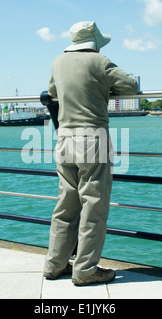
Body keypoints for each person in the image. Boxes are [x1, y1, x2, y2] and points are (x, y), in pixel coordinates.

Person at [43, 21, 139, 286]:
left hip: (64, 139)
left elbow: (52, 92)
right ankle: (85, 269)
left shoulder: (57, 62)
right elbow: (131, 85)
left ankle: (55, 264)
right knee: (93, 206)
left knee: (66, 205)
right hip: (92, 140)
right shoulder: (100, 61)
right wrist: (105, 88)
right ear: (94, 42)